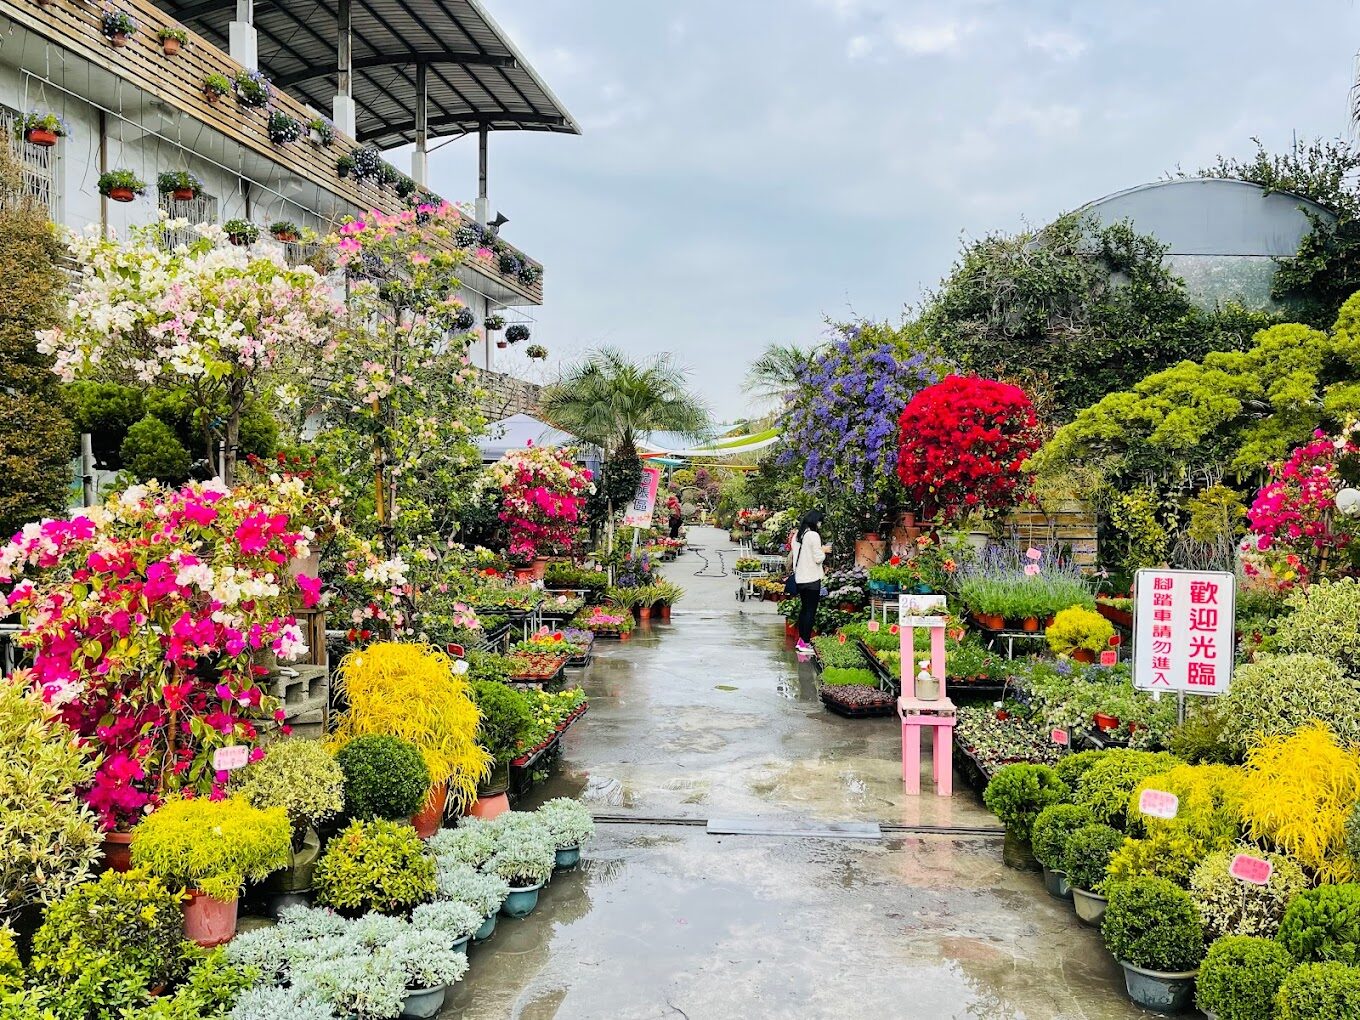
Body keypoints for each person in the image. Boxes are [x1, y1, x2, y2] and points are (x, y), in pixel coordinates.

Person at [791, 509, 829, 654]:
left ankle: (801, 641)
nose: (820, 524)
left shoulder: (798, 535)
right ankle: (805, 643)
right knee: (810, 611)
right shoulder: (813, 535)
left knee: (804, 610)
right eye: (819, 521)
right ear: (815, 521)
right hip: (812, 579)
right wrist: (823, 550)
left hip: (800, 578)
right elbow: (818, 558)